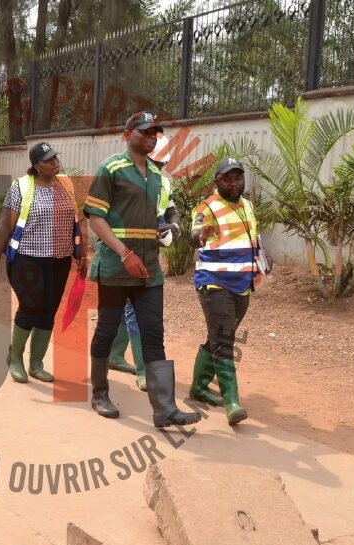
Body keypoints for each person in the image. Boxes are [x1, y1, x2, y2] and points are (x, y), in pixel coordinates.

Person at [84, 111, 199, 428]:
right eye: (145, 131)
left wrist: (170, 229)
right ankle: (100, 394)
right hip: (115, 267)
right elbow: (95, 217)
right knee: (107, 330)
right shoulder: (111, 168)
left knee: (153, 334)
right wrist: (124, 253)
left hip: (149, 269)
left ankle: (164, 408)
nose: (152, 136)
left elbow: (166, 213)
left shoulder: (157, 176)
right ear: (127, 134)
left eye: (156, 132)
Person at [0, 142, 85, 383]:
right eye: (48, 160)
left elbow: (75, 221)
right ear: (36, 166)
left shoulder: (66, 184)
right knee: (31, 306)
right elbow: (4, 227)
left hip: (59, 259)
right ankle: (16, 357)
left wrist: (80, 252)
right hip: (27, 258)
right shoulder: (19, 187)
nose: (54, 162)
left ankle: (36, 363)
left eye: (55, 158)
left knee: (49, 309)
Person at [188, 157, 270, 425]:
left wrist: (258, 266)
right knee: (224, 339)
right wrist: (198, 235)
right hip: (215, 283)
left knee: (219, 335)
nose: (233, 183)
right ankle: (232, 402)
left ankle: (199, 388)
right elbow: (196, 231)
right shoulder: (207, 207)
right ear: (217, 182)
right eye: (227, 178)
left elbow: (251, 238)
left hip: (243, 284)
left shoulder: (247, 206)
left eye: (237, 178)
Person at [107, 132, 175, 392]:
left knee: (130, 306)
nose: (156, 169)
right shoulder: (121, 174)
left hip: (147, 253)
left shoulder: (163, 183)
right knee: (132, 310)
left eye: (160, 165)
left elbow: (170, 208)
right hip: (122, 251)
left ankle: (115, 355)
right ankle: (144, 370)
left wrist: (173, 225)